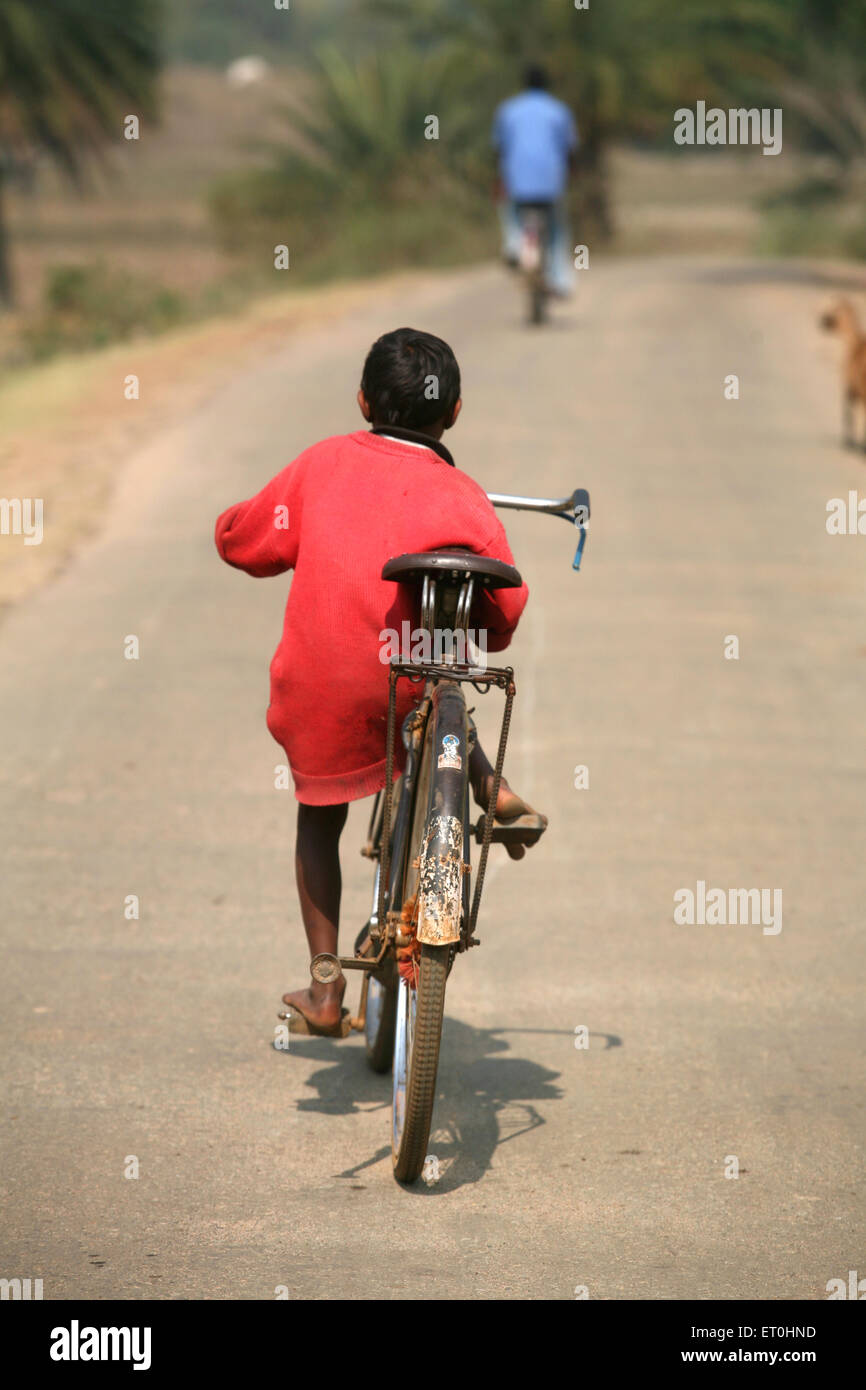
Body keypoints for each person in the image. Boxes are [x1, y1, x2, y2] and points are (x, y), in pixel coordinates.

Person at [215, 328, 546, 1036]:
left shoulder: (320, 464)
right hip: (408, 681)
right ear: (454, 412)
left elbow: (244, 540)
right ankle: (487, 781)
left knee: (318, 817)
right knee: (437, 672)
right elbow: (506, 611)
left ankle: (326, 989)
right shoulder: (461, 495)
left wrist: (228, 525)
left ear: (363, 400)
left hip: (325, 693)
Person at [492, 64, 579, 298]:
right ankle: (560, 279)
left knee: (510, 212)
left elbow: (499, 148)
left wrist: (501, 177)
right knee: (557, 230)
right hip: (550, 182)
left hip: (517, 181)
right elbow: (570, 149)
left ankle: (513, 246)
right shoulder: (559, 110)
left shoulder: (508, 110)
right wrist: (569, 174)